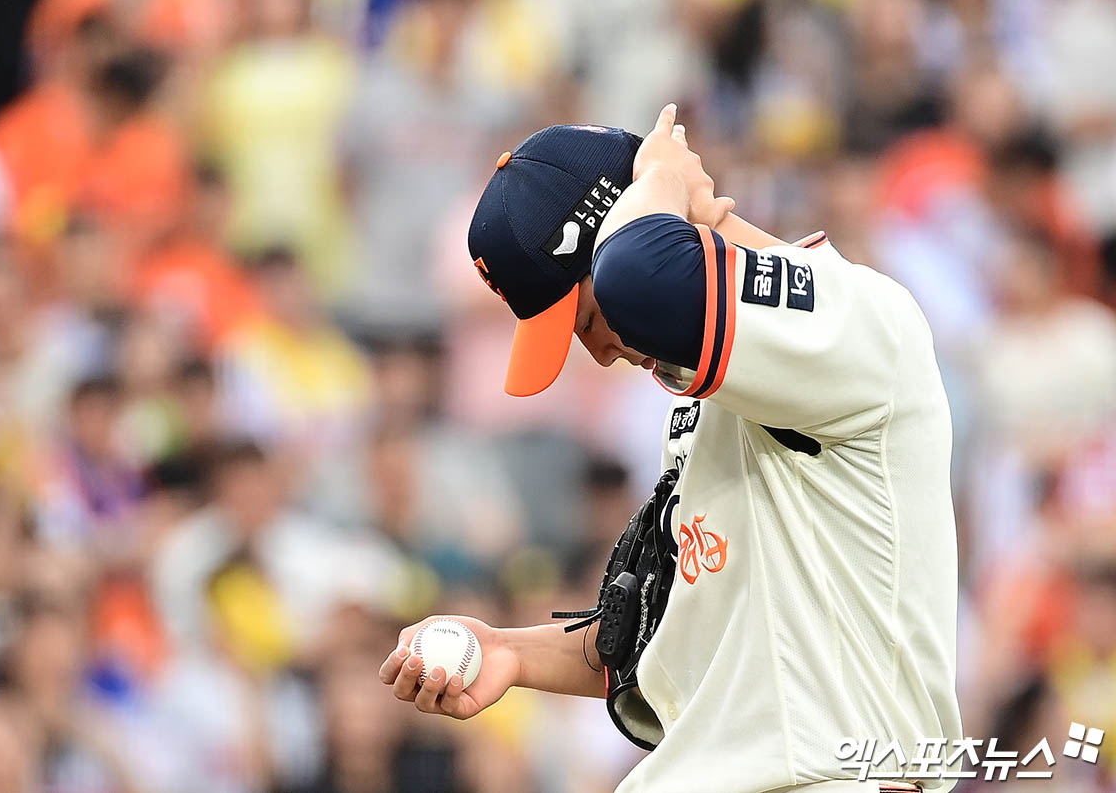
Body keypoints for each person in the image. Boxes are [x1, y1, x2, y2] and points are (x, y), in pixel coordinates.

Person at [380, 104, 963, 793]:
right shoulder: (706, 398)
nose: (597, 354)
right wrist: (511, 650)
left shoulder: (855, 318)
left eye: (587, 318)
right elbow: (659, 638)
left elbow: (640, 281)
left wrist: (658, 180)